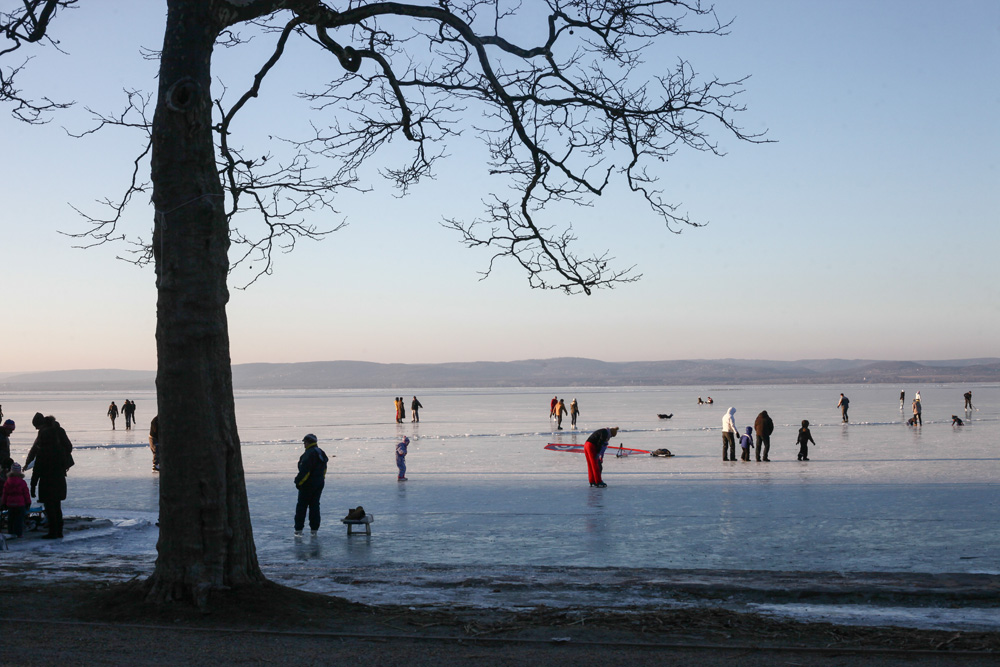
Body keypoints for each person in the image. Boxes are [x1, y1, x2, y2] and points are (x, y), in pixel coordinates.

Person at [25, 412, 74, 539]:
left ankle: (53, 532)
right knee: (57, 506)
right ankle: (59, 531)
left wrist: (32, 486)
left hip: (47, 481)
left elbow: (37, 469)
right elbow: (68, 449)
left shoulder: (43, 451)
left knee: (49, 506)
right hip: (59, 478)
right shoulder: (60, 449)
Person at [294, 433, 329, 536]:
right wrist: (321, 479)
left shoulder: (309, 454)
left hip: (308, 484)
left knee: (302, 506)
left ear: (308, 442)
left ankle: (298, 529)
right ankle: (314, 529)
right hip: (319, 483)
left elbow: (305, 471)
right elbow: (324, 469)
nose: (304, 444)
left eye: (304, 442)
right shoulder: (320, 452)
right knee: (314, 506)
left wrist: (298, 482)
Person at [2, 462, 31, 538]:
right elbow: (26, 493)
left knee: (11, 519)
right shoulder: (22, 482)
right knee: (19, 519)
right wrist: (28, 502)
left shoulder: (7, 482)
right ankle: (18, 533)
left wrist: (3, 503)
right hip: (20, 503)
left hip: (10, 503)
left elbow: (5, 494)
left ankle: (11, 532)